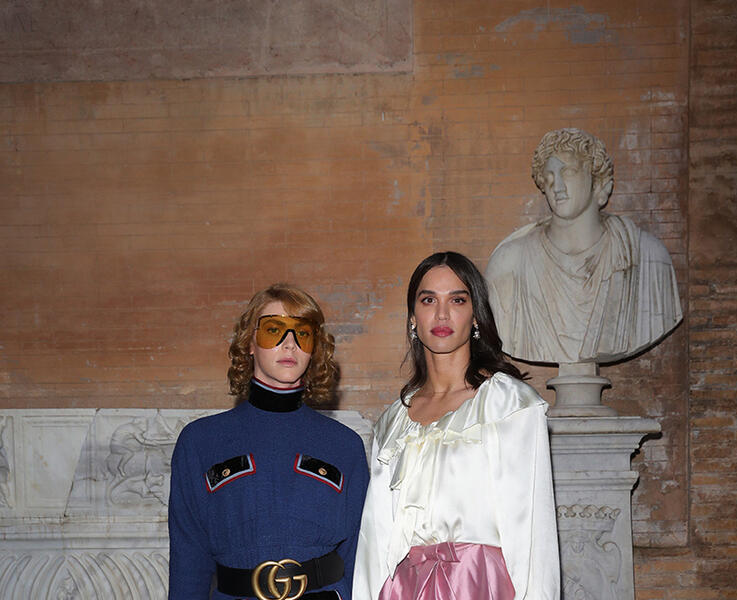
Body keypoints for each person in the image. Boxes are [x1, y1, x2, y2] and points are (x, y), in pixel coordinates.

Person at [354, 252, 560, 600]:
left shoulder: (509, 404)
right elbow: (373, 540)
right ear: (413, 317)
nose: (442, 313)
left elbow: (533, 535)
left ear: (475, 315)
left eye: (457, 300)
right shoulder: (393, 421)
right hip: (402, 589)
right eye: (428, 300)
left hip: (480, 586)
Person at [168, 284, 369, 600]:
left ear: (314, 347)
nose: (289, 344)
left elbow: (361, 561)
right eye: (274, 330)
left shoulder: (345, 446)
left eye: (302, 333)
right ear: (249, 343)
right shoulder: (200, 442)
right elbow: (188, 564)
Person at [485, 127, 682, 365]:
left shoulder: (648, 259)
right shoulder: (509, 265)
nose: (557, 186)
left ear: (597, 182)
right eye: (549, 177)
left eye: (568, 172)